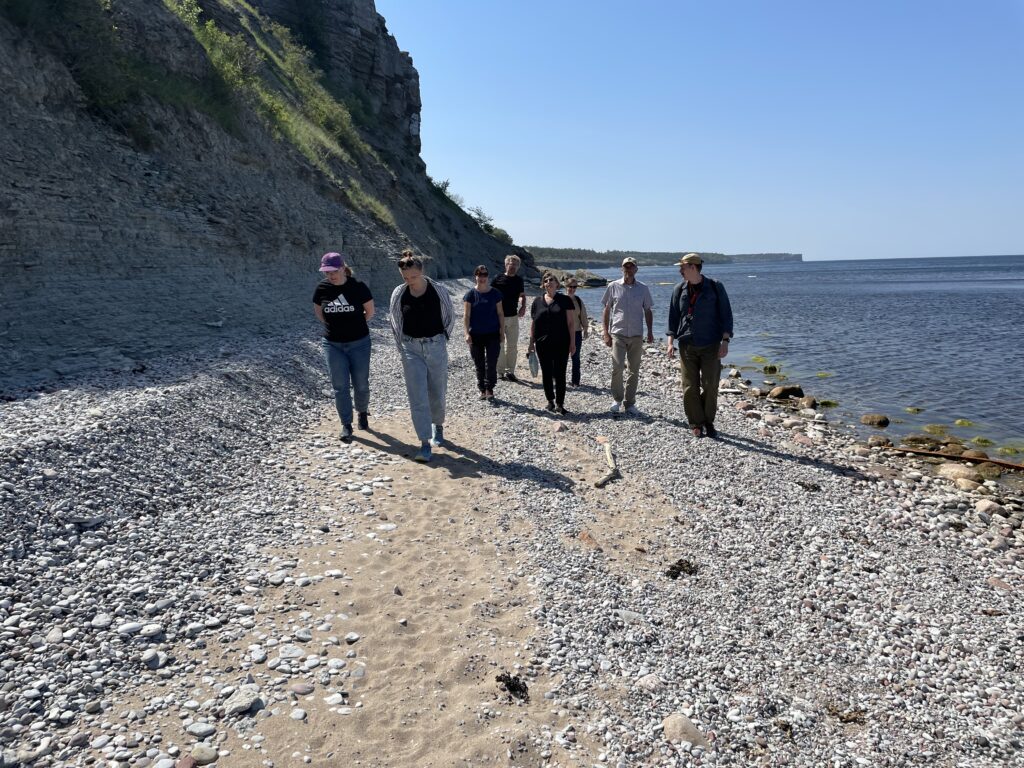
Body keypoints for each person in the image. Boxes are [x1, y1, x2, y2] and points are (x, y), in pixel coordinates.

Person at [388, 250, 455, 462]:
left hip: (435, 345)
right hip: (411, 348)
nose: (409, 281)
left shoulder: (438, 290)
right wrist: (402, 347)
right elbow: (395, 321)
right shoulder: (399, 293)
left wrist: (442, 339)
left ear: (421, 272)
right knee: (417, 395)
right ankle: (424, 443)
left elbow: (449, 316)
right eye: (405, 278)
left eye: (413, 277)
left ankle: (438, 426)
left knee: (437, 390)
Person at [665, 253, 734, 438]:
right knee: (689, 386)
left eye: (683, 267)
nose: (680, 271)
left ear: (693, 267)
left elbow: (726, 315)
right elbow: (673, 318)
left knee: (710, 385)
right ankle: (696, 422)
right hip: (687, 344)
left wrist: (725, 341)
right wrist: (670, 342)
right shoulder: (678, 289)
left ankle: (708, 421)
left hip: (711, 344)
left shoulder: (715, 287)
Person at [312, 252, 374, 443]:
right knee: (339, 387)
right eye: (326, 272)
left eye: (333, 271)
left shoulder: (358, 287)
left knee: (361, 384)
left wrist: (353, 327)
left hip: (359, 343)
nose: (330, 276)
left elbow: (370, 312)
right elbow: (319, 313)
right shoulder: (322, 288)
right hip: (332, 344)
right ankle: (346, 424)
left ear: (342, 268)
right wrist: (336, 328)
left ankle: (362, 412)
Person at [601, 257, 654, 415]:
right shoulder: (613, 286)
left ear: (636, 270)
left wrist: (650, 331)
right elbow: (606, 310)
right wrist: (606, 333)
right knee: (617, 367)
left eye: (631, 267)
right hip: (618, 333)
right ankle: (617, 399)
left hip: (637, 334)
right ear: (621, 269)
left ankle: (630, 403)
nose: (628, 270)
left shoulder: (643, 289)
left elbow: (648, 310)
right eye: (626, 267)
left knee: (634, 370)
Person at [528, 272, 575, 415]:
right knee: (546, 373)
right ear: (543, 284)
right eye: (546, 280)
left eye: (552, 280)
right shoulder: (537, 301)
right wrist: (531, 343)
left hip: (562, 342)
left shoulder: (565, 300)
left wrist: (572, 343)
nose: (549, 282)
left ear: (557, 284)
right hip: (542, 343)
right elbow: (534, 323)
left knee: (560, 374)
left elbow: (571, 323)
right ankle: (550, 401)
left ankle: (560, 404)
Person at [463, 265, 505, 400]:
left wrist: (502, 331)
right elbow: (466, 316)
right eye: (479, 275)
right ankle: (482, 389)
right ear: (475, 276)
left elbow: (500, 313)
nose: (482, 278)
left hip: (492, 333)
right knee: (479, 363)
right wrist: (466, 333)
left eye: (484, 275)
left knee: (491, 362)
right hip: (475, 334)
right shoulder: (470, 294)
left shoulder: (495, 293)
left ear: (488, 276)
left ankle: (490, 388)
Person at [492, 254, 527, 381]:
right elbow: (490, 294)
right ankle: (500, 372)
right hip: (498, 317)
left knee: (512, 345)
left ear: (518, 267)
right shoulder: (497, 278)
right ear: (506, 265)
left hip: (513, 317)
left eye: (515, 265)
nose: (512, 267)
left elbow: (522, 295)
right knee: (499, 345)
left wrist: (523, 306)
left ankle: (510, 371)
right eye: (510, 264)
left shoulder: (519, 280)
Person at [564, 277, 590, 387]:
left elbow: (583, 316)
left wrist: (585, 329)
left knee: (575, 357)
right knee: (562, 357)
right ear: (566, 286)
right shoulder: (560, 299)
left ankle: (575, 381)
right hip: (563, 333)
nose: (572, 289)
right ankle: (559, 379)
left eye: (575, 287)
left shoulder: (578, 301)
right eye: (570, 286)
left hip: (576, 332)